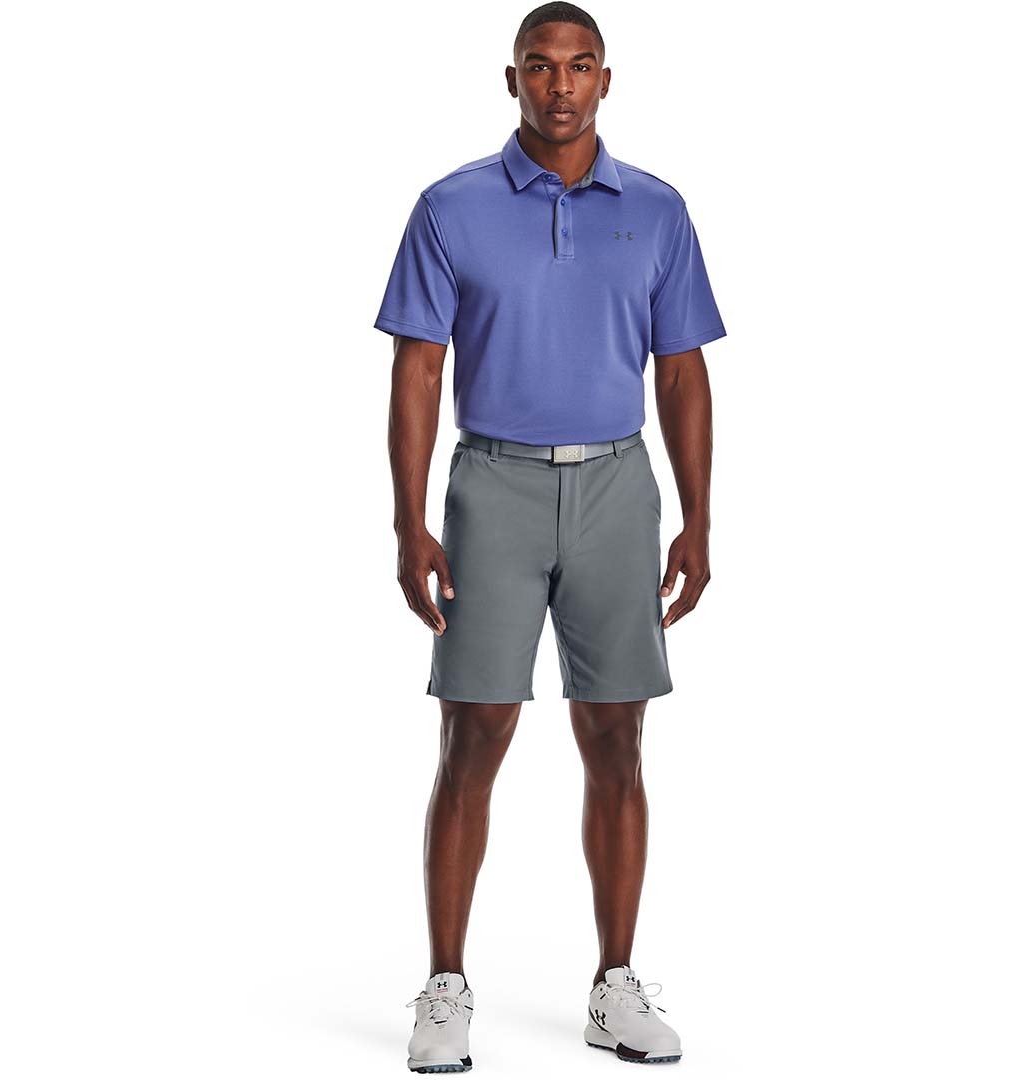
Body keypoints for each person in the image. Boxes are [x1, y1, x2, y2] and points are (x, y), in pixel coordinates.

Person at [375, 3, 726, 1071]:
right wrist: (408, 520)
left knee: (617, 736)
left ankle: (615, 986)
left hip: (620, 484)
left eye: (579, 66)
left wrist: (700, 516)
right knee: (473, 734)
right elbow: (418, 367)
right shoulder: (451, 206)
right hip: (492, 485)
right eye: (539, 65)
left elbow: (681, 371)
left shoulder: (658, 210)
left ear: (605, 81)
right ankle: (445, 988)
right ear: (512, 79)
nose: (559, 84)